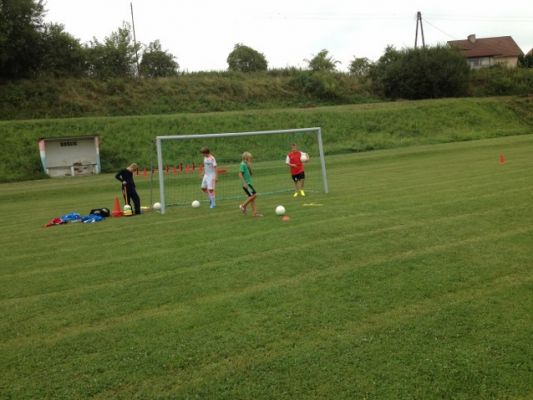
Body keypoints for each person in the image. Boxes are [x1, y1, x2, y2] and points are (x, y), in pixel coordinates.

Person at [239, 151, 263, 217]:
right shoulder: (242, 164)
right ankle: (243, 206)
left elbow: (250, 174)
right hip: (247, 184)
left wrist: (250, 167)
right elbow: (240, 174)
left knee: (252, 199)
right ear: (246, 158)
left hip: (249, 183)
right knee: (254, 195)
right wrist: (244, 183)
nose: (251, 159)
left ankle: (255, 213)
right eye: (250, 158)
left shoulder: (246, 164)